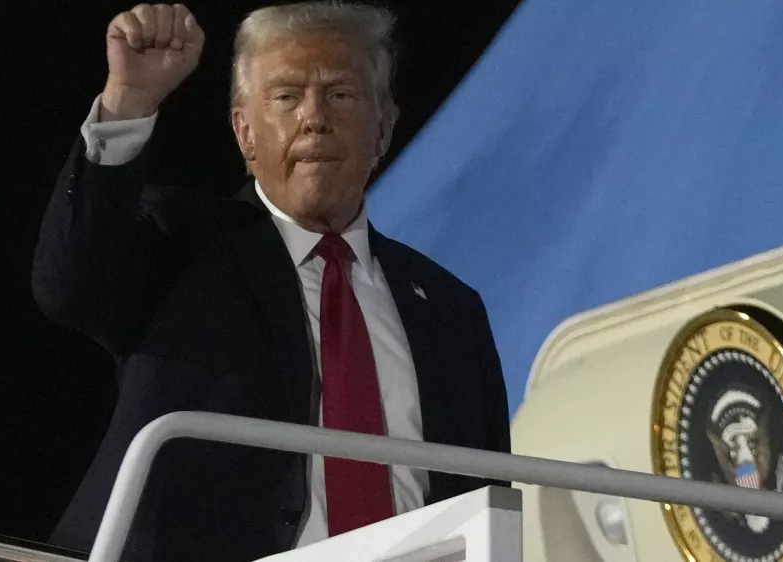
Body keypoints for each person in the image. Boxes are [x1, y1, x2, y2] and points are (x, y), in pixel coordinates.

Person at [31, 2, 510, 561]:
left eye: (342, 94)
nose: (314, 117)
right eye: (286, 96)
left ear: (383, 129)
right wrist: (128, 103)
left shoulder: (452, 310)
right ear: (244, 134)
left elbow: (489, 496)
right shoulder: (181, 246)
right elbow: (70, 286)